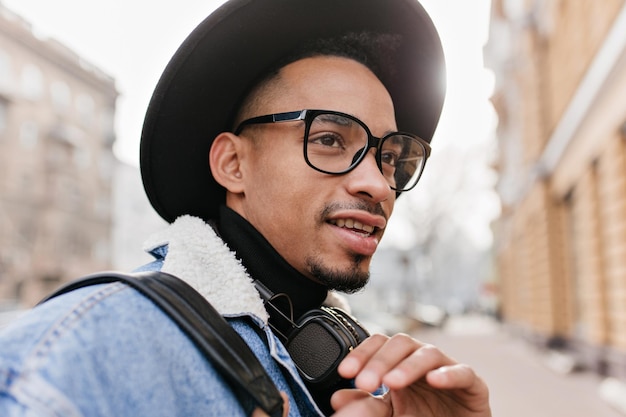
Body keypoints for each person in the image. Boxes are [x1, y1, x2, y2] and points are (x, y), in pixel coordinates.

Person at [0, 0, 491, 416]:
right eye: (329, 139)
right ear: (233, 164)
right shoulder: (78, 356)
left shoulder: (377, 383)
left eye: (389, 157)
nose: (378, 184)